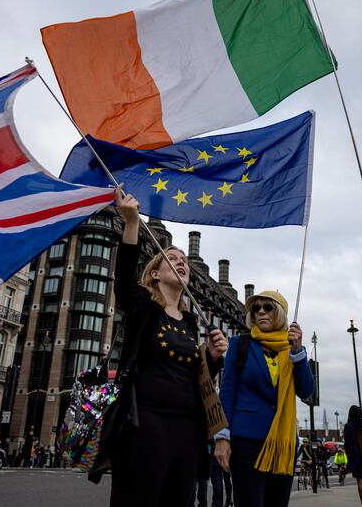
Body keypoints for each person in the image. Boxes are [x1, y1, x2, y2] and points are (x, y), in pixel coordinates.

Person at [94, 187, 228, 507]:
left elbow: (199, 376)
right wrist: (130, 224)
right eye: (172, 259)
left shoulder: (191, 322)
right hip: (144, 425)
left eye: (183, 261)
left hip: (186, 429)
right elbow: (125, 284)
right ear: (155, 273)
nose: (180, 262)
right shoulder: (144, 307)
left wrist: (212, 356)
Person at [214, 289, 314, 507]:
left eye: (267, 307)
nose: (260, 312)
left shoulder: (293, 349)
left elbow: (306, 391)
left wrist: (298, 353)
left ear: (279, 313)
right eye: (255, 308)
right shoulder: (240, 344)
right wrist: (222, 437)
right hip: (247, 441)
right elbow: (228, 392)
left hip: (283, 444)